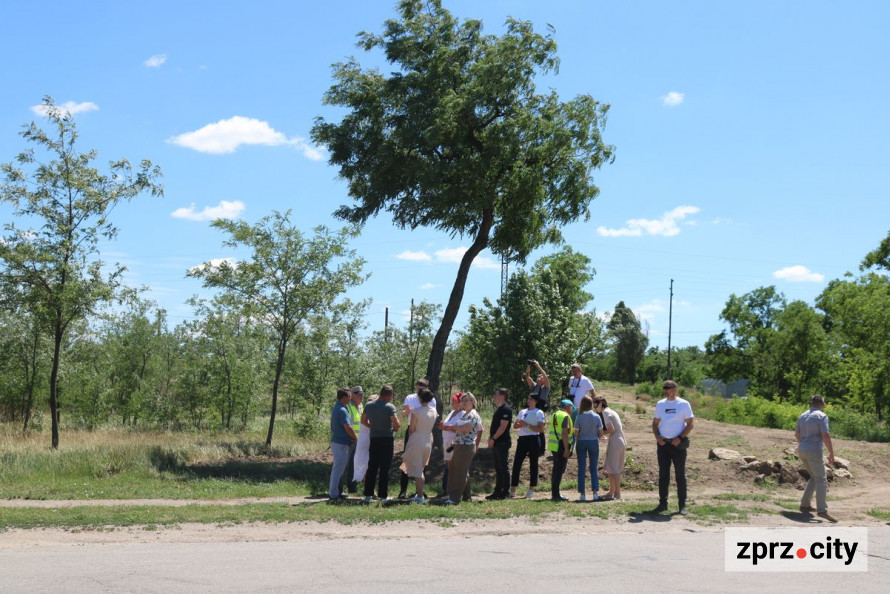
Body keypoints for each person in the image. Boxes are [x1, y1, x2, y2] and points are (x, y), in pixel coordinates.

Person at [650, 380, 694, 515]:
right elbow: (655, 423)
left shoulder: (684, 404)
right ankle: (662, 504)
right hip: (663, 444)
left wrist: (680, 438)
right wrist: (658, 437)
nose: (667, 390)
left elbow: (690, 424)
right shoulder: (660, 404)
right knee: (663, 475)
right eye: (665, 388)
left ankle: (682, 505)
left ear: (676, 389)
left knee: (680, 475)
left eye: (670, 387)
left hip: (678, 445)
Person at [795, 394, 837, 522]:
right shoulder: (822, 416)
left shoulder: (803, 415)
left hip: (801, 449)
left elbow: (797, 434)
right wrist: (831, 453)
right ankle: (822, 510)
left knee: (814, 476)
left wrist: (804, 443)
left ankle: (805, 504)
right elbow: (825, 434)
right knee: (821, 479)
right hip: (814, 450)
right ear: (821, 404)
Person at [398, 378, 438, 499]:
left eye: (424, 385)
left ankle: (419, 492)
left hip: (421, 431)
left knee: (422, 463)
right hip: (417, 431)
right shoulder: (410, 397)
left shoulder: (431, 399)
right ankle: (403, 490)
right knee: (407, 460)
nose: (421, 386)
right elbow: (404, 415)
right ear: (416, 386)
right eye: (419, 384)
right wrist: (408, 411)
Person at [361, 385, 401, 503]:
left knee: (372, 466)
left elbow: (363, 420)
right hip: (387, 439)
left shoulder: (369, 405)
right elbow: (397, 424)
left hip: (374, 438)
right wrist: (393, 429)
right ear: (389, 395)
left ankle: (368, 494)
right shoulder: (389, 407)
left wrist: (372, 427)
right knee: (384, 468)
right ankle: (382, 495)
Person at [446, 392, 483, 505]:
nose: (464, 402)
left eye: (467, 400)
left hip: (466, 446)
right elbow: (461, 430)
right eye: (463, 400)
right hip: (460, 445)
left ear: (473, 402)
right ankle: (467, 496)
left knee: (459, 472)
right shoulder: (465, 414)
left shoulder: (473, 414)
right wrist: (455, 440)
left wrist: (453, 427)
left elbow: (466, 429)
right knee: (461, 471)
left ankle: (455, 498)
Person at [509, 394, 545, 499]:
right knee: (517, 464)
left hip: (534, 439)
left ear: (536, 401)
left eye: (531, 399)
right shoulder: (522, 412)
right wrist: (520, 424)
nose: (528, 401)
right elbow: (515, 426)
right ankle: (513, 489)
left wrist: (527, 425)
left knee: (533, 464)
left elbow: (540, 429)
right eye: (528, 399)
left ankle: (531, 488)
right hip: (522, 439)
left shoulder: (539, 412)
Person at [329, 388, 357, 501]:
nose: (350, 399)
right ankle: (334, 494)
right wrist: (355, 438)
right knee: (338, 470)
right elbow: (348, 427)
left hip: (338, 442)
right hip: (341, 444)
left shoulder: (338, 407)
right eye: (349, 397)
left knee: (338, 469)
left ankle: (336, 492)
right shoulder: (342, 410)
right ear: (344, 397)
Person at [575, 395, 605, 501]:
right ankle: (595, 493)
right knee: (593, 467)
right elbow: (600, 434)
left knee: (581, 468)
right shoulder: (597, 417)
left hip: (581, 442)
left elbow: (576, 433)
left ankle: (582, 494)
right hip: (593, 442)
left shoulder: (579, 417)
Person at [595, 395, 625, 501]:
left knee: (614, 468)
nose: (595, 408)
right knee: (612, 468)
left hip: (616, 440)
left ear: (600, 404)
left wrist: (600, 434)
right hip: (620, 440)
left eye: (596, 405)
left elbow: (611, 429)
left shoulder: (605, 412)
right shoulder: (611, 411)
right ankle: (611, 492)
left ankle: (617, 493)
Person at [486, 387, 513, 500]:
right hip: (497, 442)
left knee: (503, 467)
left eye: (496, 394)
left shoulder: (506, 409)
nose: (494, 396)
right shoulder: (499, 408)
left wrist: (493, 438)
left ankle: (505, 492)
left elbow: (502, 427)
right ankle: (497, 492)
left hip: (502, 442)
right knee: (498, 468)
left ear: (502, 396)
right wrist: (491, 438)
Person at [548, 399, 574, 501]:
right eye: (572, 407)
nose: (572, 410)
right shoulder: (565, 416)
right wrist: (567, 449)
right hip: (562, 446)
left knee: (556, 470)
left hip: (554, 446)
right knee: (559, 470)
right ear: (568, 406)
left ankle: (554, 493)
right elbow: (564, 433)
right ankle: (556, 495)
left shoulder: (555, 414)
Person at [439, 393, 463, 495]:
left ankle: (452, 490)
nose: (452, 402)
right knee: (448, 466)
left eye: (454, 401)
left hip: (454, 442)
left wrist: (446, 427)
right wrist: (444, 424)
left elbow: (459, 429)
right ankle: (446, 489)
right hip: (446, 441)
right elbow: (448, 424)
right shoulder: (452, 412)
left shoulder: (462, 414)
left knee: (453, 467)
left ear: (460, 403)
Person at [352, 393, 378, 486]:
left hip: (364, 440)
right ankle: (368, 488)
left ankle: (368, 488)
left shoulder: (366, 412)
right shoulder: (370, 414)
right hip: (367, 440)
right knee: (367, 465)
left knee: (366, 464)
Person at [342, 385, 364, 494]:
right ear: (353, 395)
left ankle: (352, 487)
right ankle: (342, 488)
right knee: (346, 464)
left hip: (359, 441)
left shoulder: (361, 407)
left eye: (362, 395)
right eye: (359, 395)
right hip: (350, 440)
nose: (361, 397)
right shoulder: (348, 407)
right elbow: (347, 425)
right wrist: (352, 437)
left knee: (355, 464)